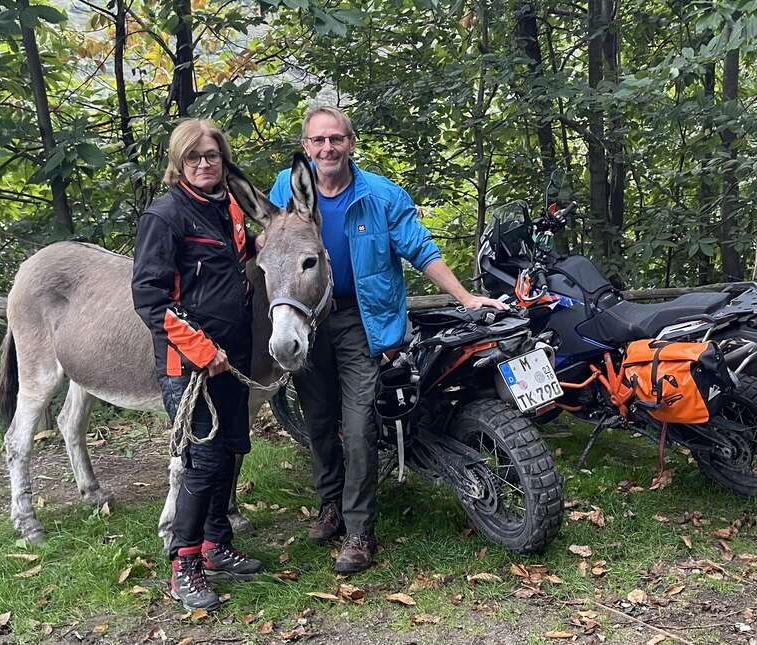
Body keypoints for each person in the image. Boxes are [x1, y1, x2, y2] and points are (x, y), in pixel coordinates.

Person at [268, 106, 507, 573]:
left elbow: (420, 248)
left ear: (351, 144)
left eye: (335, 139)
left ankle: (359, 532)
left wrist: (464, 296)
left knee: (358, 429)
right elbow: (267, 244)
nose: (327, 148)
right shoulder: (286, 188)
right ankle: (329, 505)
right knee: (318, 421)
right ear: (306, 147)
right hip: (306, 321)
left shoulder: (380, 195)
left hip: (363, 324)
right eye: (317, 141)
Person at [132, 118, 262, 611]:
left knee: (230, 450)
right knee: (202, 462)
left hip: (233, 359)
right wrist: (202, 352)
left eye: (212, 156)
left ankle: (214, 545)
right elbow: (150, 298)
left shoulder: (227, 207)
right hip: (189, 366)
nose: (205, 164)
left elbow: (234, 261)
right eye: (195, 157)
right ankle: (183, 563)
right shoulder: (165, 217)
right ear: (179, 162)